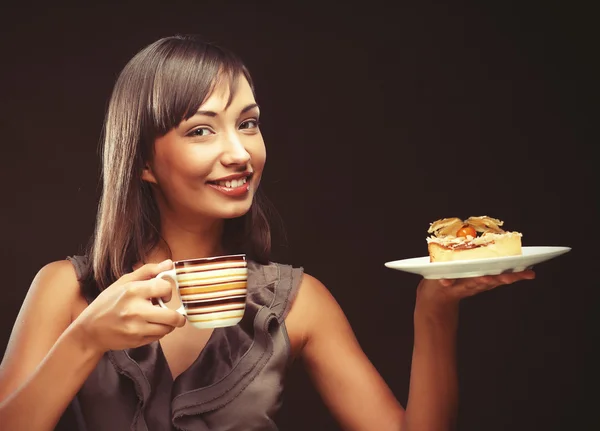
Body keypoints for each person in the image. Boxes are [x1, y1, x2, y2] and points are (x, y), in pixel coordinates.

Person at [0, 34, 534, 431]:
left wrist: (435, 311)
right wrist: (87, 338)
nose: (239, 153)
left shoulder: (297, 303)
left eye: (248, 123)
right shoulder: (66, 292)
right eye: (202, 130)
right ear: (141, 160)